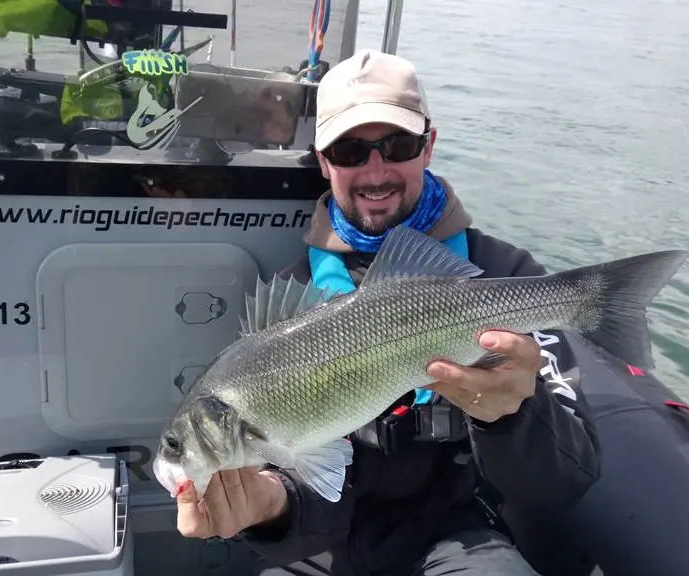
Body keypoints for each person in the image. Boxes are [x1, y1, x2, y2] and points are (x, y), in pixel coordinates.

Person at [173, 49, 602, 576]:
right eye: (350, 151)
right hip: (324, 547)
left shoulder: (506, 276)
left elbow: (569, 479)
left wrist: (516, 414)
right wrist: (271, 507)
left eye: (396, 145)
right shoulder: (293, 298)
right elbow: (303, 478)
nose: (375, 171)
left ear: (428, 147)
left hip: (457, 533)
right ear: (324, 160)